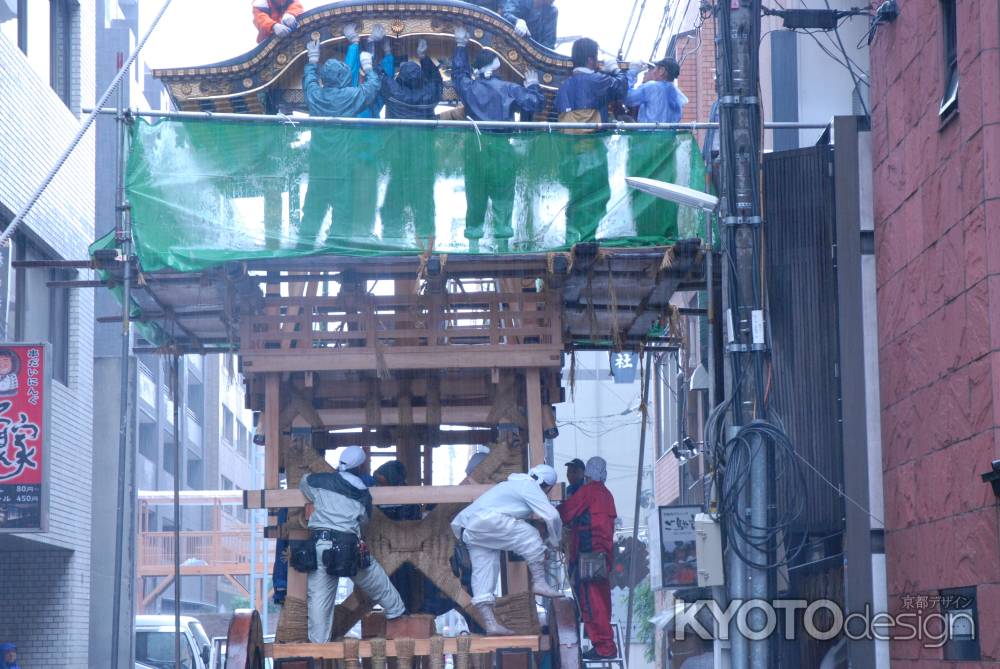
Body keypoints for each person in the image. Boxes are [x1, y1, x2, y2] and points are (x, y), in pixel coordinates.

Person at [452, 26, 546, 251]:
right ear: (495, 63)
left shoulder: (470, 87)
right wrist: (533, 85)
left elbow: (458, 75)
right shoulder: (508, 88)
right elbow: (535, 103)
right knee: (503, 194)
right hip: (502, 148)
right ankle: (503, 242)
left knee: (475, 195)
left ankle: (473, 243)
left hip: (476, 148)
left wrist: (461, 45)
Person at [300, 446, 406, 643]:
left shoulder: (319, 481)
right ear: (361, 467)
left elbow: (303, 483)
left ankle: (319, 648)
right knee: (376, 579)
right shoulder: (362, 492)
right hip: (348, 547)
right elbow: (364, 520)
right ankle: (396, 610)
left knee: (319, 601)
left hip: (319, 546)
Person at [451, 464, 563, 635]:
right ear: (546, 486)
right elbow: (552, 516)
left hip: (469, 528)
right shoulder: (529, 485)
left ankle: (490, 624)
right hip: (484, 521)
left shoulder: (514, 484)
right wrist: (556, 540)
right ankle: (539, 581)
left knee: (485, 572)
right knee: (530, 536)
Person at [297, 32, 382, 249]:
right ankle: (337, 242)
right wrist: (369, 68)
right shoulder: (350, 96)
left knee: (314, 204)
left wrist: (312, 61)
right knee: (343, 205)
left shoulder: (316, 96)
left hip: (318, 163)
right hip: (343, 164)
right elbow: (372, 88)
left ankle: (304, 243)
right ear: (344, 78)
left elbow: (309, 82)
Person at [554, 38, 629, 245]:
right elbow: (621, 88)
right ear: (590, 59)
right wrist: (617, 70)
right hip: (592, 153)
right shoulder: (596, 81)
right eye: (596, 58)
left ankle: (572, 237)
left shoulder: (564, 87)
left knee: (577, 197)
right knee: (598, 195)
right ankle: (587, 240)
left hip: (568, 155)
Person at [378, 39, 444, 245]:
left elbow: (379, 77)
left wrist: (387, 52)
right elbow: (437, 82)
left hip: (399, 157)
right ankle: (427, 243)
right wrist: (424, 58)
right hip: (424, 158)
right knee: (424, 202)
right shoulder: (428, 96)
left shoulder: (395, 93)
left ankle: (391, 237)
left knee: (393, 200)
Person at [557, 456, 618, 661]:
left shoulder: (588, 492)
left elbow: (565, 513)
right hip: (603, 557)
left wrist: (544, 514)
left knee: (592, 603)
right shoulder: (607, 496)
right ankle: (605, 645)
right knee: (602, 601)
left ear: (588, 473)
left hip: (587, 555)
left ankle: (604, 648)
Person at [625, 58, 687, 124]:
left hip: (650, 133)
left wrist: (632, 72)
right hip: (669, 133)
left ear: (661, 71)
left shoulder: (652, 86)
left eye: (650, 69)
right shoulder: (676, 92)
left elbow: (627, 97)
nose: (645, 72)